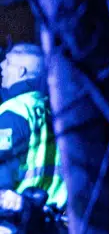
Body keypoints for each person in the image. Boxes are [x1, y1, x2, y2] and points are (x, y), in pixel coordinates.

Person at [0, 43, 65, 214]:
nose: (2, 66)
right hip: (56, 217)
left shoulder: (14, 112)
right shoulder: (53, 111)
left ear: (21, 71)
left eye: (7, 62)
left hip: (18, 219)